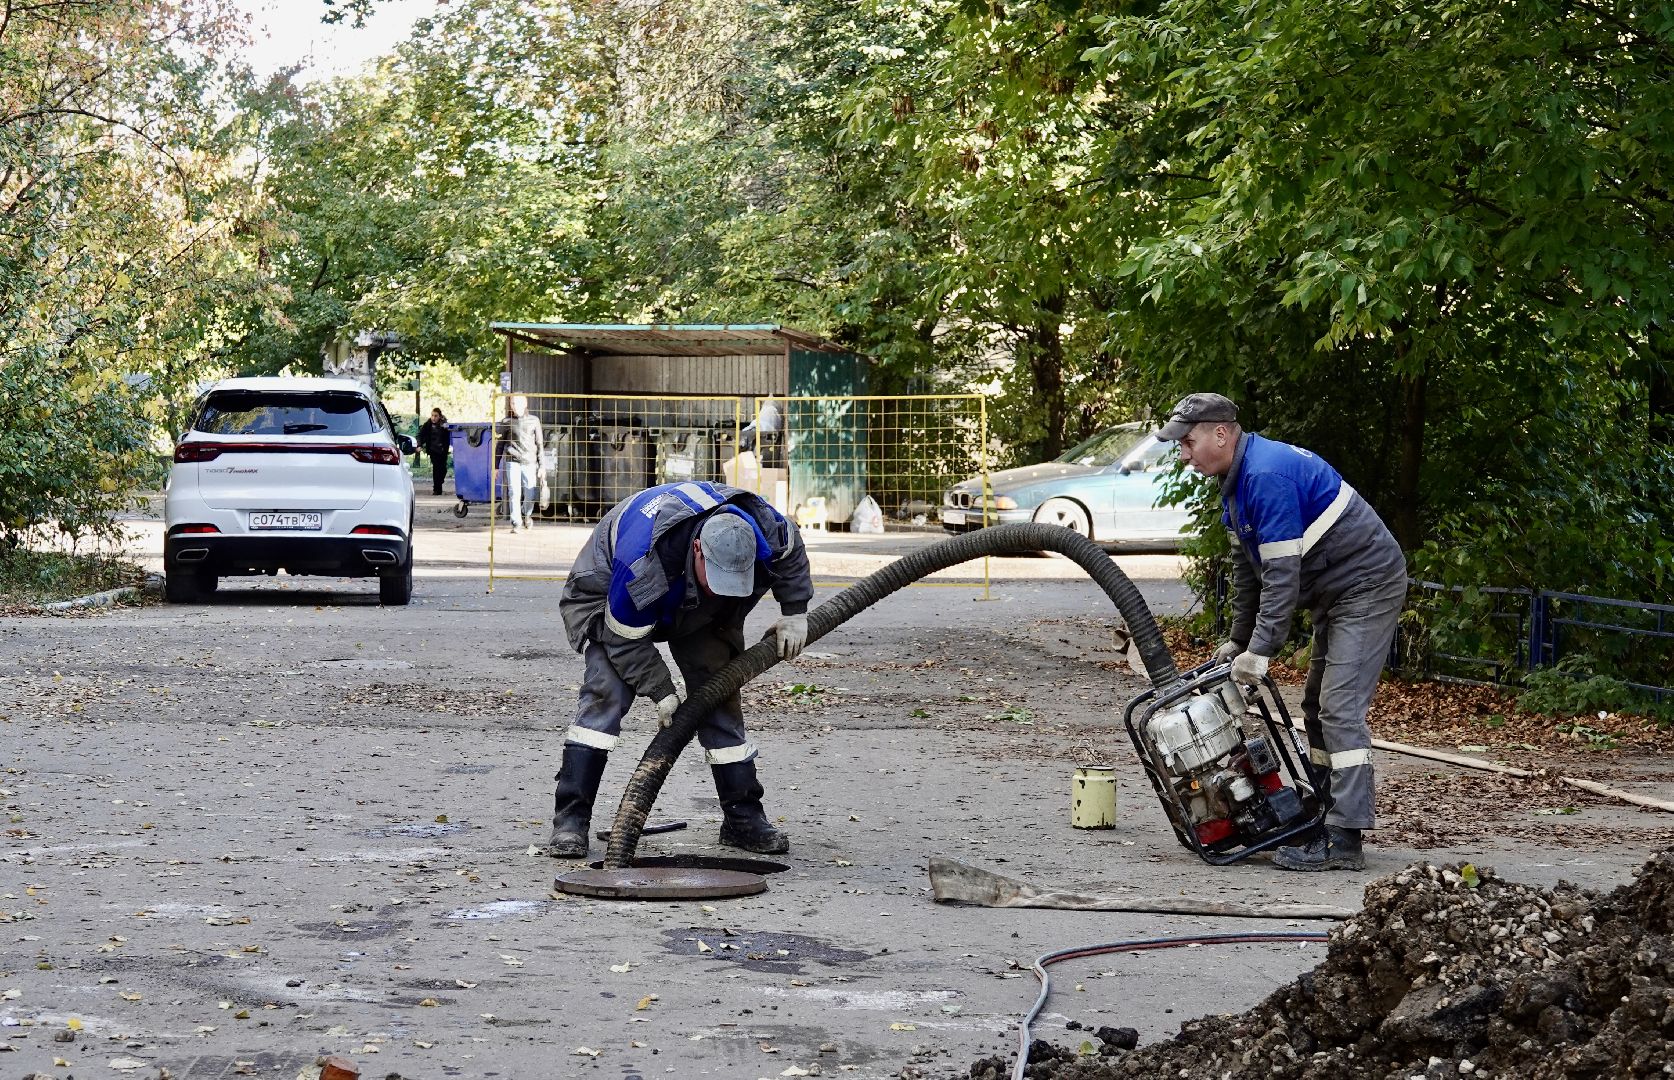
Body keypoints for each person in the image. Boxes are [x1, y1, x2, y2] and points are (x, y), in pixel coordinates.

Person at [1157, 393, 1407, 872]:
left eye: (1188, 442)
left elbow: (1281, 577)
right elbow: (1247, 570)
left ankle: (1345, 837)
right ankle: (1322, 809)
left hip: (1365, 584)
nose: (1183, 454)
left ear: (1221, 434)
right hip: (1336, 588)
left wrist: (1261, 652)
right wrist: (1239, 640)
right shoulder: (1236, 483)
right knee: (1315, 705)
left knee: (1339, 706)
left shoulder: (1266, 476)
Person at [549, 479, 812, 859]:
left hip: (690, 601)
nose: (726, 590)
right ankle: (571, 821)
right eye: (720, 578)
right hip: (610, 596)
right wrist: (662, 691)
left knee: (718, 692)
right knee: (607, 692)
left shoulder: (764, 526)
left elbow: (792, 553)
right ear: (698, 550)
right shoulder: (639, 563)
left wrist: (795, 613)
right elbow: (624, 639)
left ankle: (743, 818)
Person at [494, 394, 543, 532]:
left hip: (530, 461)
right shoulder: (506, 422)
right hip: (512, 461)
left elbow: (539, 444)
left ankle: (527, 514)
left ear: (525, 403)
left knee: (530, 492)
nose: (514, 406)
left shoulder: (534, 421)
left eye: (517, 403)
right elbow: (500, 445)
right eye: (512, 403)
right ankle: (516, 522)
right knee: (514, 492)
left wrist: (542, 466)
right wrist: (495, 466)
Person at [417, 408, 451, 496]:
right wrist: (419, 445)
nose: (433, 418)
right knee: (436, 469)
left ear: (440, 416)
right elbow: (421, 434)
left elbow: (448, 436)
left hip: (442, 451)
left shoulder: (444, 425)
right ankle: (437, 489)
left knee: (443, 469)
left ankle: (439, 483)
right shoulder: (428, 424)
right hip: (433, 450)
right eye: (432, 415)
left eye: (436, 416)